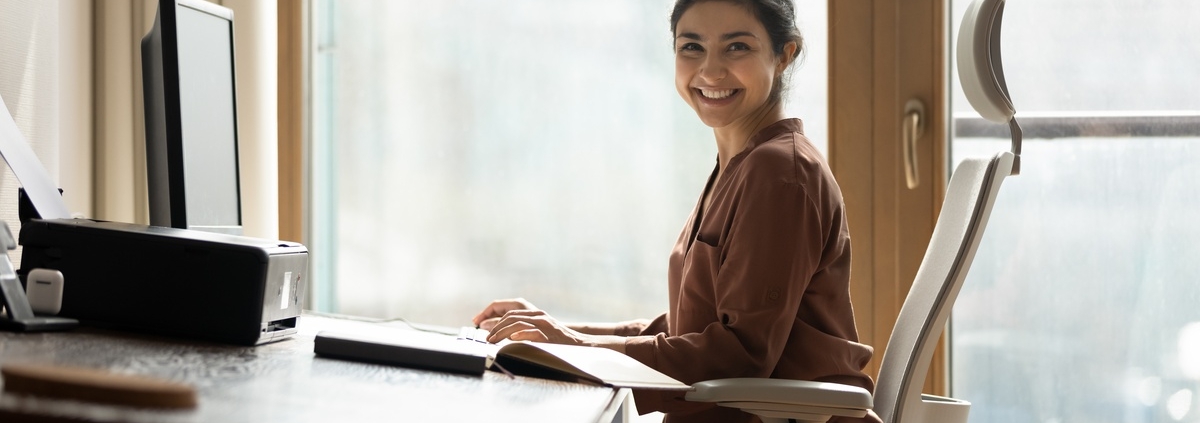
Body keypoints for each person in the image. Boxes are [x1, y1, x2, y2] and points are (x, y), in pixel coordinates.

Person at [473, 1, 881, 422]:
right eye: (692, 47)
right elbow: (688, 328)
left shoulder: (779, 174)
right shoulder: (740, 166)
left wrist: (574, 348)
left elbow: (738, 354)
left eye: (736, 47)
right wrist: (554, 334)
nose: (710, 70)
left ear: (784, 55)